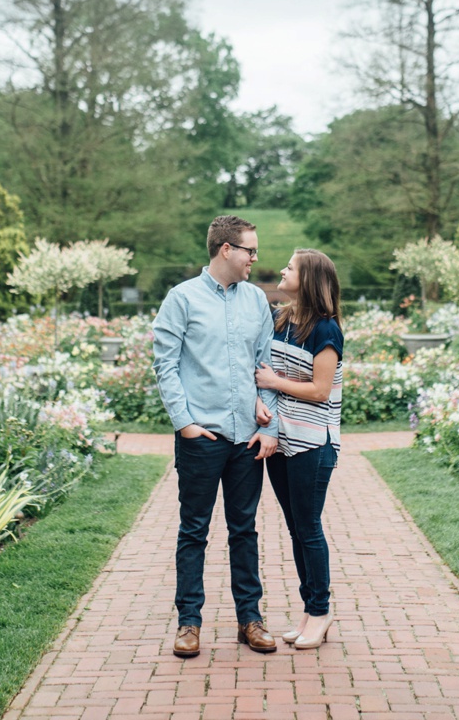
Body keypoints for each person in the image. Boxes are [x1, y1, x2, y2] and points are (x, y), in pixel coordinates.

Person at [153, 215, 281, 659]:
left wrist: (272, 425)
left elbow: (267, 370)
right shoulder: (181, 298)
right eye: (250, 250)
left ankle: (251, 619)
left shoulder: (257, 301)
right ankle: (189, 623)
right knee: (194, 531)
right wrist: (185, 424)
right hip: (201, 437)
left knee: (244, 530)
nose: (255, 259)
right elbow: (165, 366)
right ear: (226, 249)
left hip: (247, 438)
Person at [254, 249, 344, 650]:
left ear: (308, 279)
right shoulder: (281, 320)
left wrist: (274, 383)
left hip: (313, 443)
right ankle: (310, 611)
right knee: (296, 528)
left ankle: (321, 613)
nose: (283, 271)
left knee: (308, 529)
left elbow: (320, 391)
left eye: (290, 267)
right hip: (282, 442)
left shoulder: (327, 330)